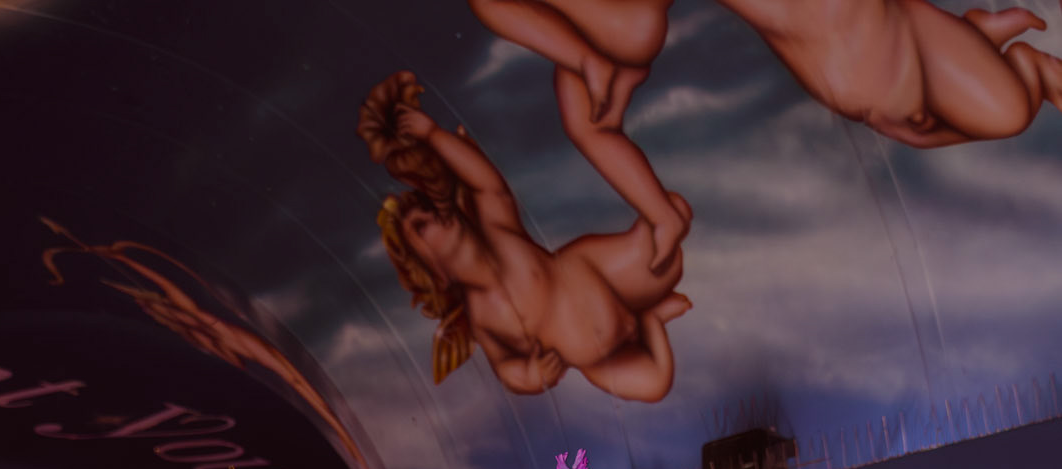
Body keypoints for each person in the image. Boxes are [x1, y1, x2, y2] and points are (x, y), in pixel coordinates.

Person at [472, 0, 1062, 160]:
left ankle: (981, 41)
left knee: (1008, 111)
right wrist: (591, 57)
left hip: (906, 41)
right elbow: (634, 32)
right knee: (992, 112)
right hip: (878, 88)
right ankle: (984, 42)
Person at [380, 96, 690, 400]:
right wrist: (530, 375)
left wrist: (432, 134)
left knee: (673, 213)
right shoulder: (483, 315)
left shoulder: (498, 233)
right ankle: (650, 321)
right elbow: (503, 367)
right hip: (599, 357)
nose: (430, 212)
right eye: (419, 226)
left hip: (605, 277)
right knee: (654, 383)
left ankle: (645, 298)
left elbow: (487, 186)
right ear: (431, 269)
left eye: (426, 206)